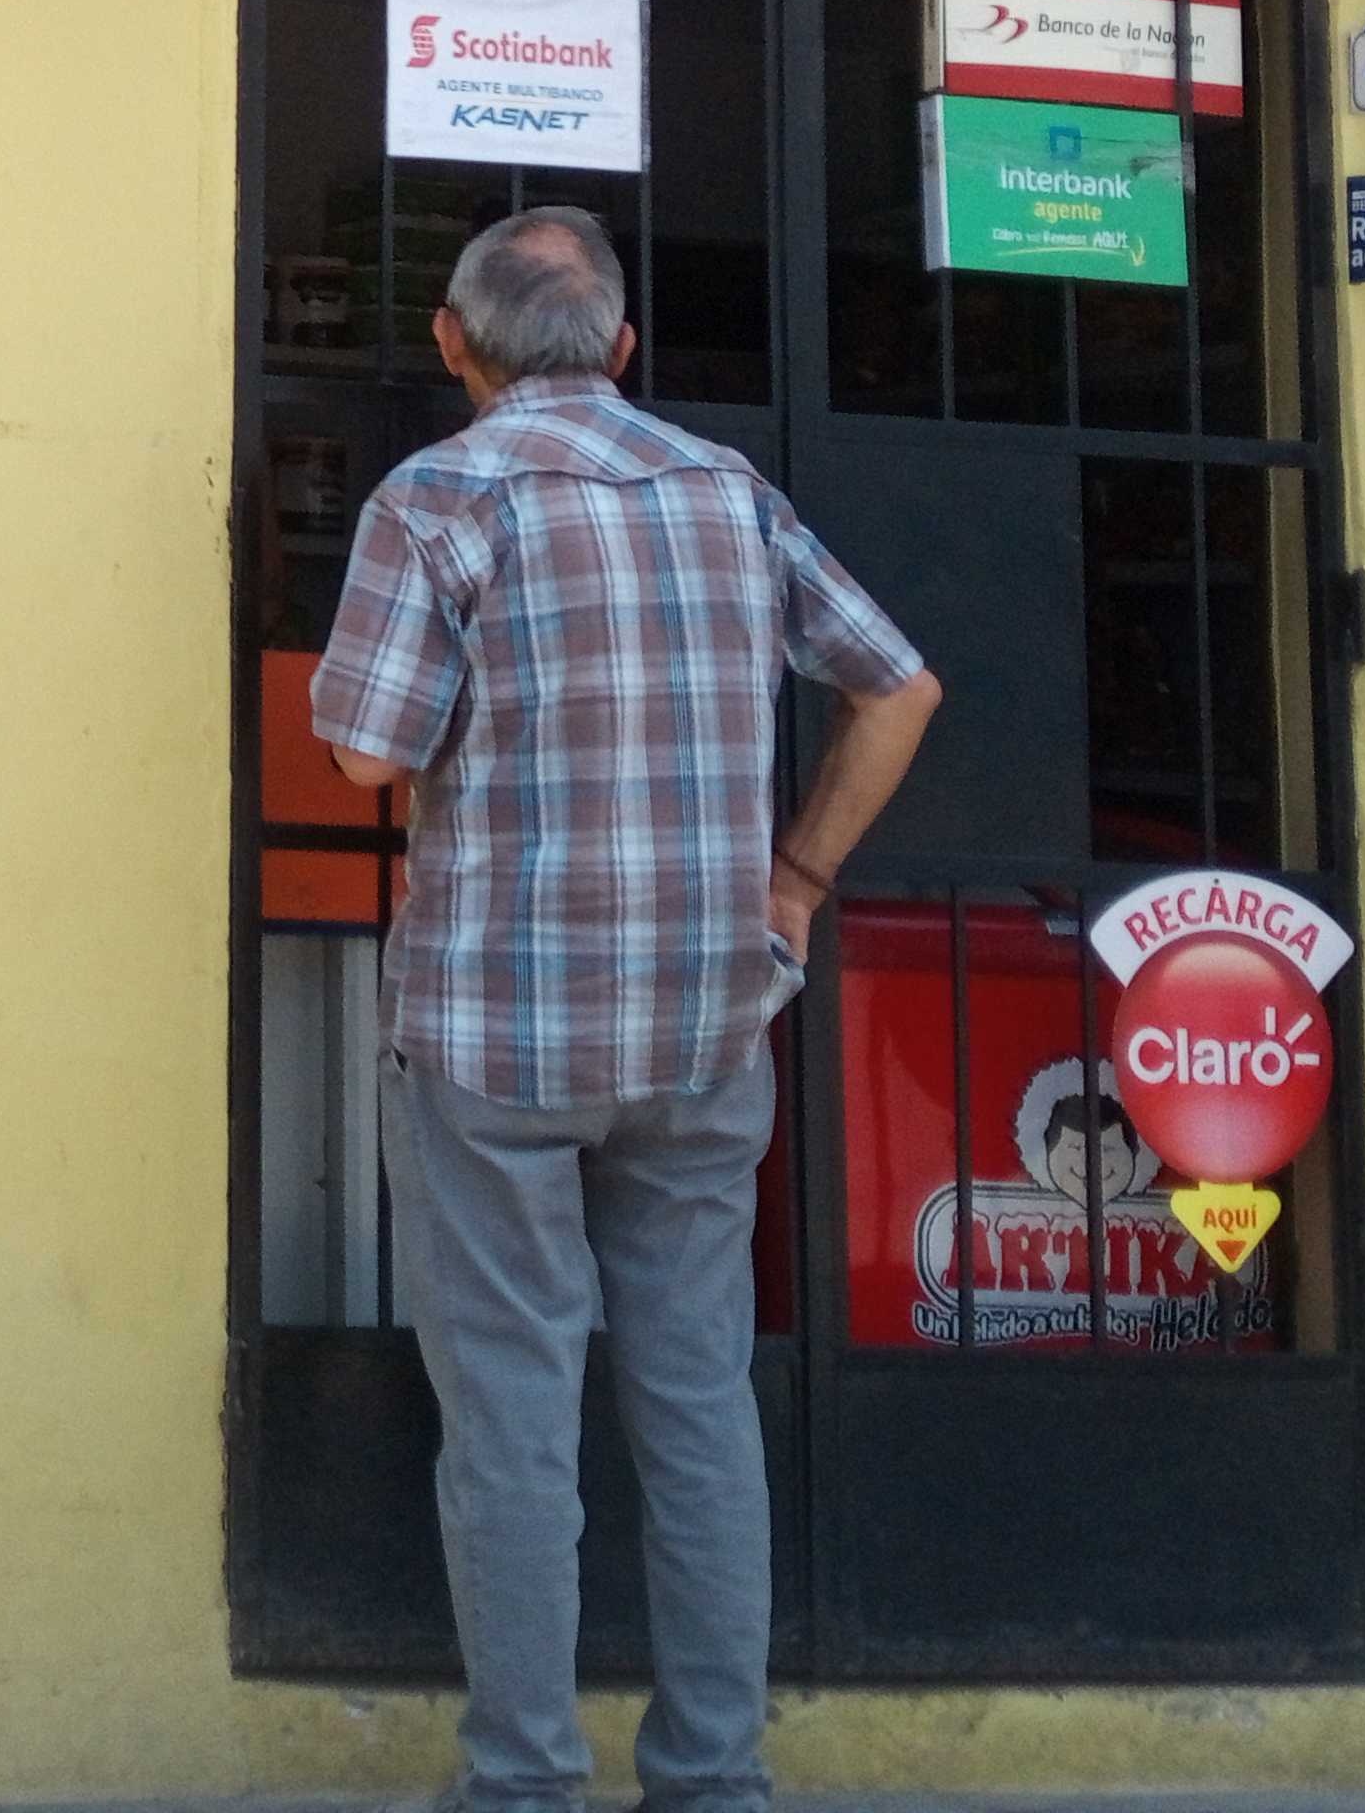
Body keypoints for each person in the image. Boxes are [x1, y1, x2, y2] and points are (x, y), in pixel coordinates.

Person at [312, 207, 941, 1813]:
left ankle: (526, 1783)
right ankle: (714, 1778)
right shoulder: (726, 492)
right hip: (701, 1030)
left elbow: (369, 754)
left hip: (494, 1039)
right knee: (698, 1406)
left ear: (452, 346)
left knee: (512, 1427)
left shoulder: (438, 499)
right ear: (623, 345)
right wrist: (797, 879)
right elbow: (900, 685)